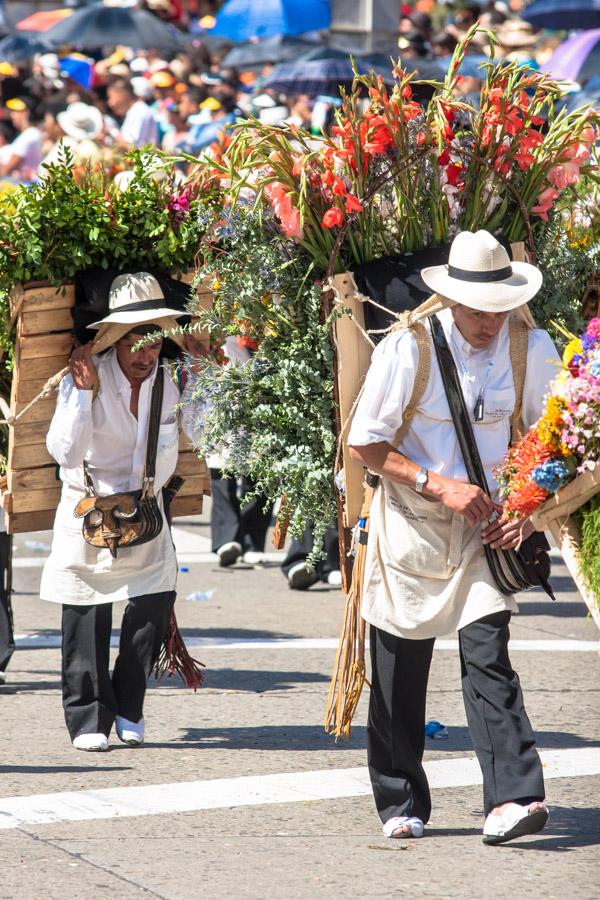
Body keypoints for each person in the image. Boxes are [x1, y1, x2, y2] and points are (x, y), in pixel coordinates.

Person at [348, 230, 560, 845]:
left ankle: (513, 797)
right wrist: (438, 486)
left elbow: (554, 442)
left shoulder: (533, 346)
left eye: (496, 308)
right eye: (474, 309)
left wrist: (529, 507)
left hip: (487, 530)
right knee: (397, 666)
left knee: (489, 655)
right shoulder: (408, 347)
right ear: (448, 300)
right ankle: (400, 798)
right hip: (412, 523)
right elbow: (365, 443)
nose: (487, 321)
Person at [40, 272, 198, 752]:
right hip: (87, 510)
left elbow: (206, 435)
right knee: (85, 612)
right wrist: (84, 397)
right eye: (136, 344)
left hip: (145, 513)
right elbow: (64, 454)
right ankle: (89, 718)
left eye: (154, 344)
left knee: (155, 601)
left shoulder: (169, 382)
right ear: (114, 340)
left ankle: (129, 706)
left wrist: (210, 380)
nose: (146, 356)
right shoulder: (85, 375)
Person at [107, 78, 158, 148]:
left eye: (111, 97)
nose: (110, 103)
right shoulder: (135, 111)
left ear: (123, 94)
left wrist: (111, 131)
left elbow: (132, 147)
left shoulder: (140, 111)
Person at [0, 96, 43, 180]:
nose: (12, 115)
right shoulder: (26, 134)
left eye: (16, 111)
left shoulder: (31, 134)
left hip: (25, 187)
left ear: (26, 112)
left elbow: (5, 170)